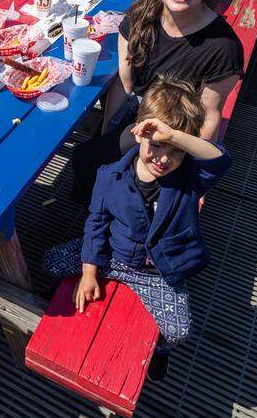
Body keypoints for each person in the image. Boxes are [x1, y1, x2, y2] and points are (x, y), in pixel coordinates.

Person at [46, 77, 231, 381]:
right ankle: (71, 291)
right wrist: (90, 271)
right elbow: (97, 222)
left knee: (178, 331)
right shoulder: (111, 175)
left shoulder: (190, 178)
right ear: (139, 133)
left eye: (176, 150)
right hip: (112, 256)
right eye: (156, 146)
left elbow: (220, 160)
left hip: (155, 271)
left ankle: (155, 349)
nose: (163, 158)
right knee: (52, 261)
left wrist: (173, 135)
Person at [71, 0, 242, 202]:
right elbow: (124, 84)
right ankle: (95, 218)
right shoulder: (140, 16)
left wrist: (196, 175)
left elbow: (209, 114)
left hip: (176, 129)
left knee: (108, 174)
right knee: (88, 159)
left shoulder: (223, 47)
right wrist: (105, 136)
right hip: (136, 115)